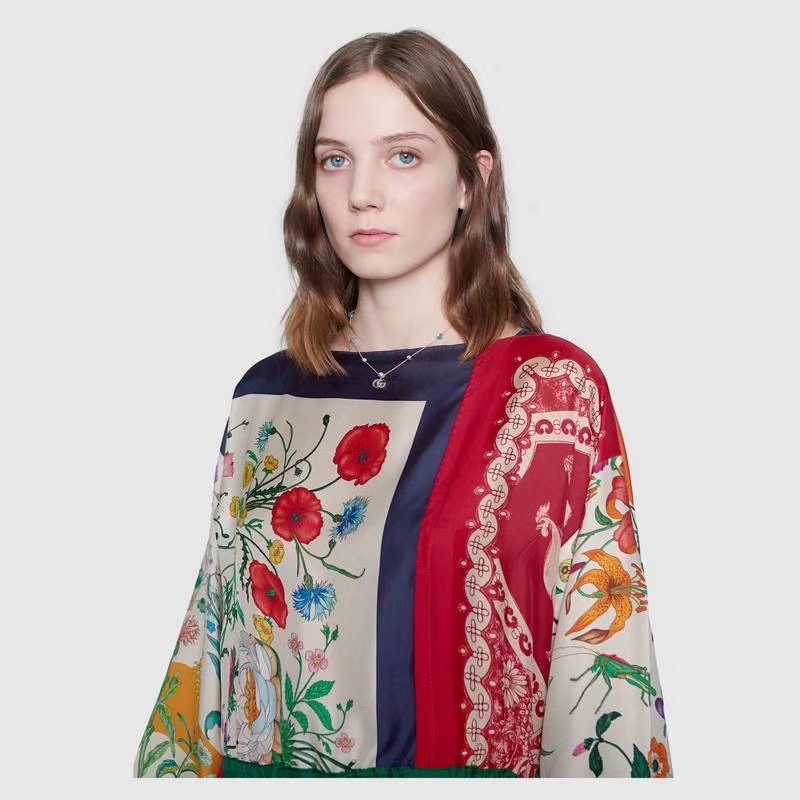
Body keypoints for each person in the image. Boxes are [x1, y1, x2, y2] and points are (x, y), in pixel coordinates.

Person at [133, 28, 672, 779]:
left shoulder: (550, 390)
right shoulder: (266, 398)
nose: (362, 192)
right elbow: (213, 645)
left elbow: (603, 666)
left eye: (404, 156)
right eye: (335, 159)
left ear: (472, 180)